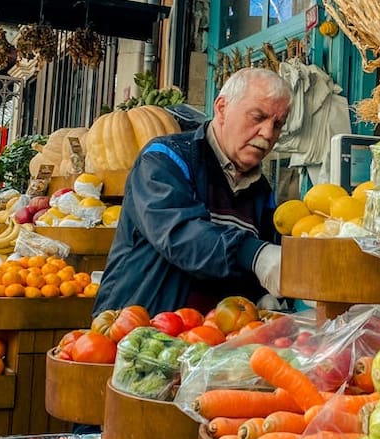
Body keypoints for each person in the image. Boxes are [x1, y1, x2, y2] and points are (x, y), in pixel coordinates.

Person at [93, 67, 292, 316]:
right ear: (221, 108)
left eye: (277, 124)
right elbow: (180, 234)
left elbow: (258, 264)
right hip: (139, 331)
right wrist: (254, 254)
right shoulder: (165, 159)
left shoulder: (261, 191)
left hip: (210, 344)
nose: (267, 134)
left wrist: (262, 293)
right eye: (257, 117)